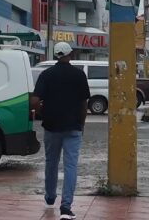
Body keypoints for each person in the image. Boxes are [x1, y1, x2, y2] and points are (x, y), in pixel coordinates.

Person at [31, 42, 90, 220]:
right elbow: (84, 104)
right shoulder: (79, 75)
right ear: (70, 54)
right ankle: (66, 207)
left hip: (51, 126)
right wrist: (81, 124)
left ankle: (50, 197)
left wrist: (43, 114)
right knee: (70, 166)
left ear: (56, 55)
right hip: (73, 127)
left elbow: (34, 101)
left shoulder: (46, 74)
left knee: (51, 162)